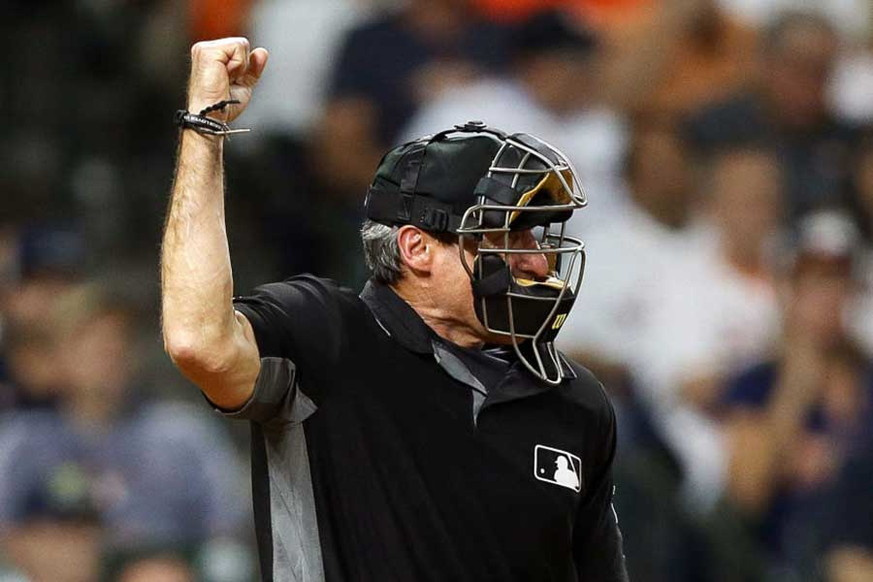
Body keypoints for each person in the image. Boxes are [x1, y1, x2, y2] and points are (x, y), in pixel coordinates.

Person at [162, 38, 627, 581]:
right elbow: (199, 341)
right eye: (509, 238)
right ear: (417, 248)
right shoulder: (328, 336)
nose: (539, 263)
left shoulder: (574, 402)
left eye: (538, 238)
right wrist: (204, 128)